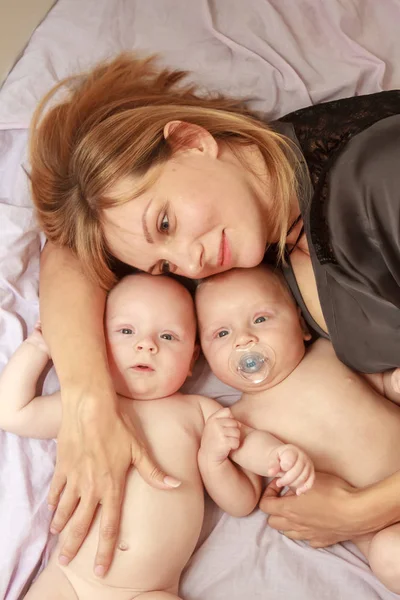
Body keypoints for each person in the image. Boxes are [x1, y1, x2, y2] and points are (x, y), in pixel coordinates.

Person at [28, 52, 400, 574]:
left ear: (191, 141)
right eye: (162, 263)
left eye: (164, 223)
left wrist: (363, 510)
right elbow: (65, 256)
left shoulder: (380, 176)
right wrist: (88, 406)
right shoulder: (245, 234)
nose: (188, 261)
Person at [0, 272, 314, 598]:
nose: (146, 344)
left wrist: (272, 457)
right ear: (95, 341)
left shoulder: (199, 414)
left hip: (147, 591)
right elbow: (12, 412)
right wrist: (39, 345)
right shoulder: (85, 408)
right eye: (126, 331)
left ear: (192, 359)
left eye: (167, 337)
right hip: (68, 580)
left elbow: (243, 501)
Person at [196, 264, 400, 593]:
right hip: (383, 532)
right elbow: (241, 501)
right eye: (221, 333)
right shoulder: (239, 421)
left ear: (303, 324)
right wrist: (213, 460)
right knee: (391, 558)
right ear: (202, 354)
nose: (244, 339)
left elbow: (379, 385)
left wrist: (393, 382)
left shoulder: (329, 352)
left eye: (260, 319)